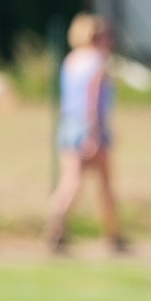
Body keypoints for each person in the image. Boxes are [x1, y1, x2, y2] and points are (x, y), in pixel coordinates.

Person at [44, 14, 124, 254]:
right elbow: (93, 98)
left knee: (70, 183)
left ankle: (55, 229)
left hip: (69, 124)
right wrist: (95, 131)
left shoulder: (71, 60)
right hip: (90, 125)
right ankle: (113, 236)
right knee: (104, 185)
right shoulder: (98, 62)